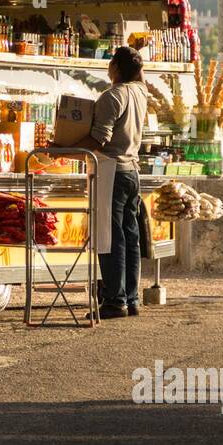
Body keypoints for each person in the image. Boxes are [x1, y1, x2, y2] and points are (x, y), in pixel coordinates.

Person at [81, 46, 147, 318]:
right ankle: (131, 299)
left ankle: (114, 300)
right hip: (132, 170)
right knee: (130, 237)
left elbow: (99, 139)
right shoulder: (140, 92)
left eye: (110, 63)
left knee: (111, 238)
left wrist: (63, 147)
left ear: (116, 68)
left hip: (113, 171)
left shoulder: (112, 96)